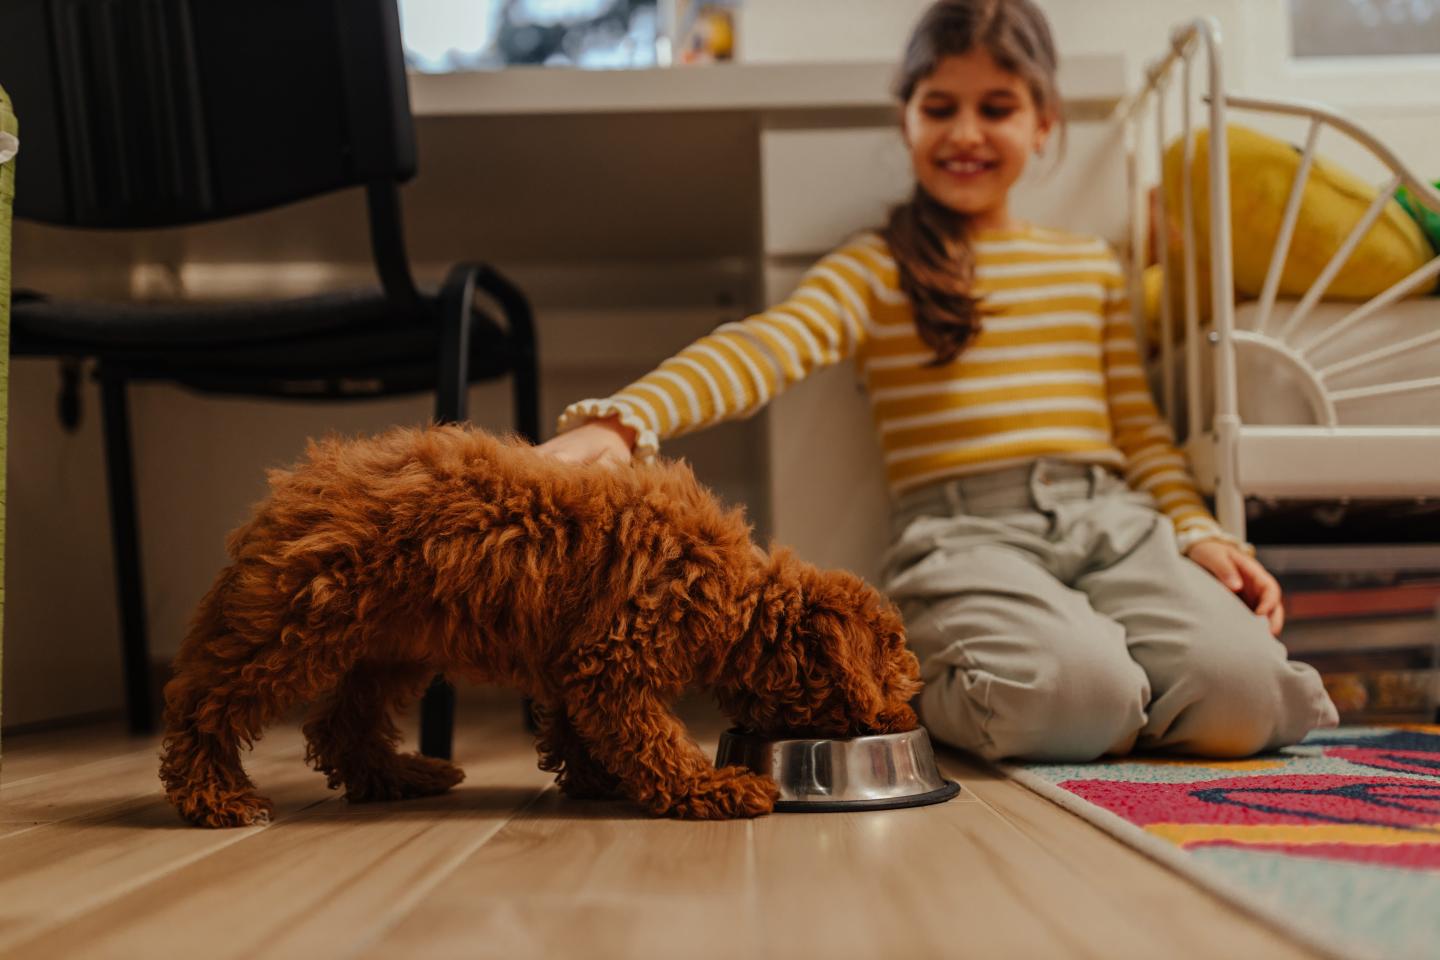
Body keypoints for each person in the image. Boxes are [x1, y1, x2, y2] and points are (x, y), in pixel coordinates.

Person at [536, 0, 1338, 761]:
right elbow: (765, 347)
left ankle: (1123, 689)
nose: (966, 132)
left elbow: (1140, 434)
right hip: (965, 535)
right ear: (907, 118)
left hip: (1117, 521)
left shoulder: (1090, 267)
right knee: (1069, 700)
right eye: (939, 106)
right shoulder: (879, 265)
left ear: (1044, 123)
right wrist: (624, 420)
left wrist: (1201, 532)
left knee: (1252, 699)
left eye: (996, 108)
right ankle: (1053, 688)